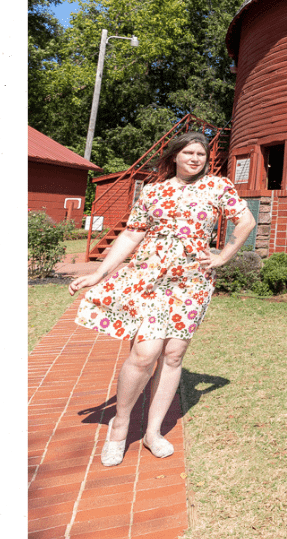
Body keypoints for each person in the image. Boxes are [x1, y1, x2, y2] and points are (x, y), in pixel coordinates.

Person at [69, 132, 256, 466]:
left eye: (200, 153)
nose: (195, 158)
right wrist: (100, 273)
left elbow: (245, 221)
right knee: (145, 354)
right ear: (175, 155)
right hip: (151, 276)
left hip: (192, 280)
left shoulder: (218, 186)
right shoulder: (154, 190)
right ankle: (120, 425)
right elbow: (132, 233)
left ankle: (153, 432)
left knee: (172, 354)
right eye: (188, 152)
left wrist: (223, 256)